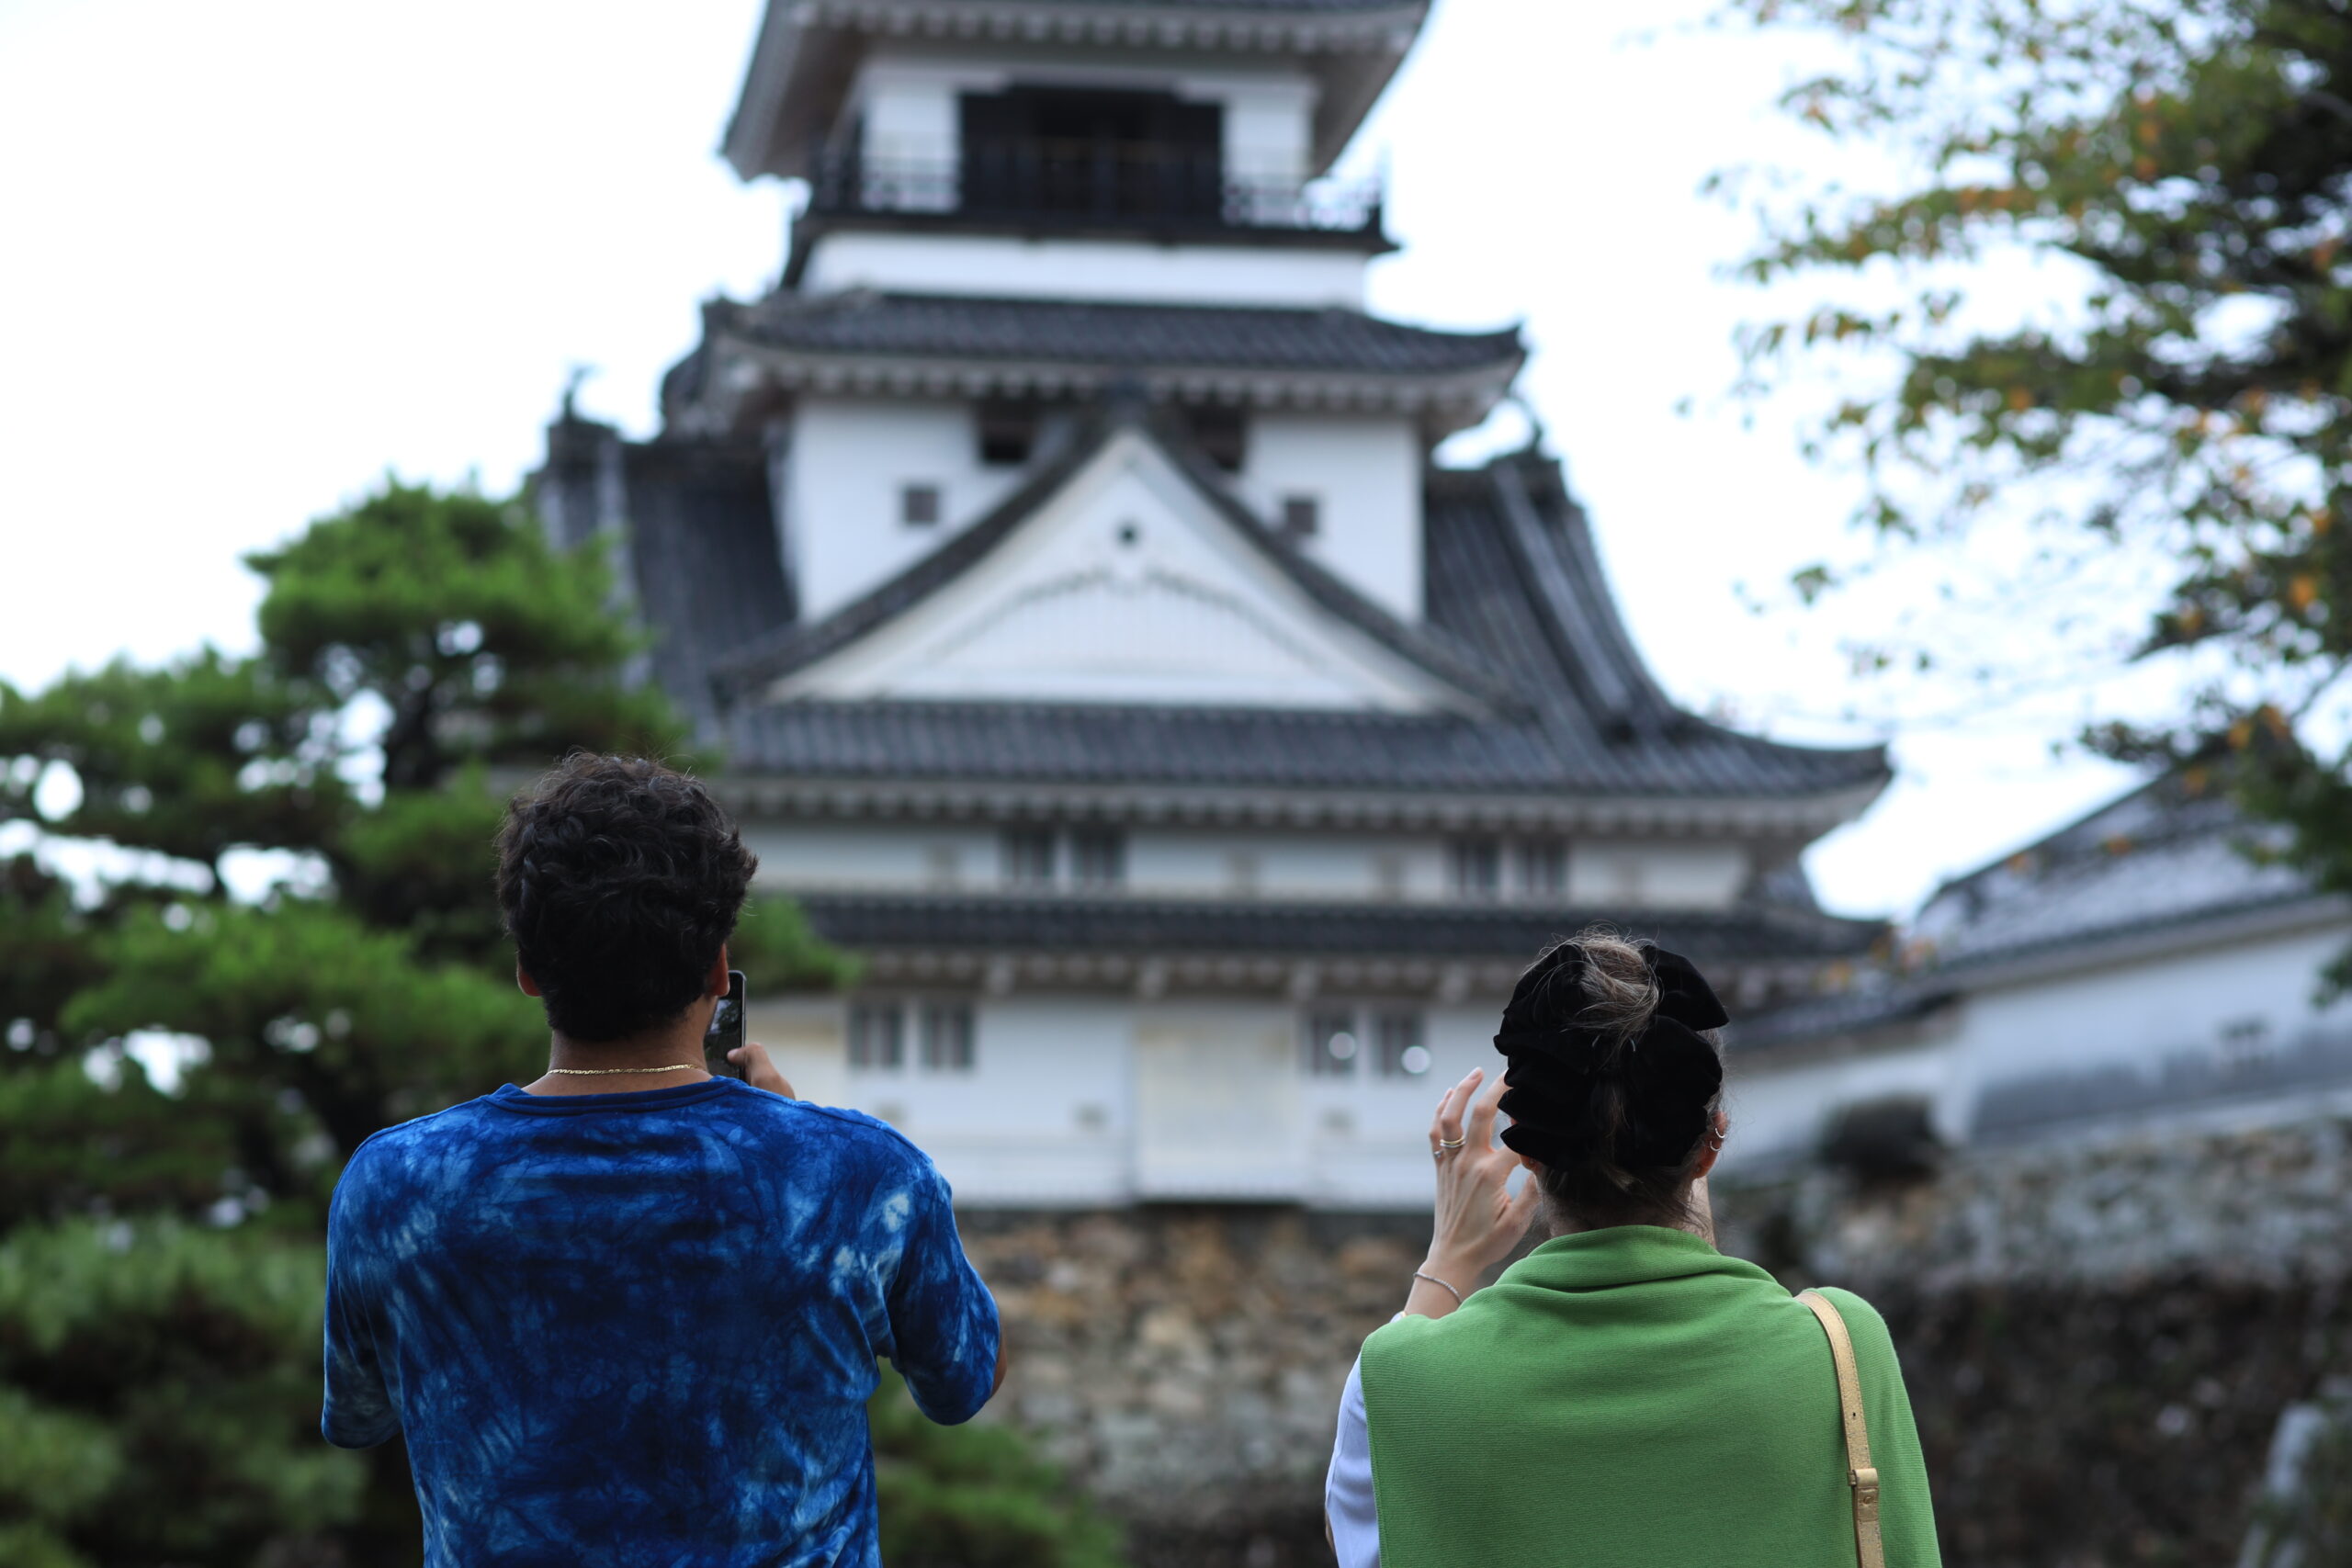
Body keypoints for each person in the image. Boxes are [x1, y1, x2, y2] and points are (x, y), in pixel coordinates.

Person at [321, 753, 1002, 1567]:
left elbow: (357, 1415)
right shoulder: (861, 1176)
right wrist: (800, 1148)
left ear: (529, 972)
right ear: (718, 968)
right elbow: (967, 1380)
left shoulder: (394, 1184)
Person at [1324, 928, 1939, 1568]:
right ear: (1711, 1142)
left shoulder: (1404, 1382)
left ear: (1525, 1147)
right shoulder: (1842, 1349)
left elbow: (1361, 1534)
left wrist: (1448, 1258)